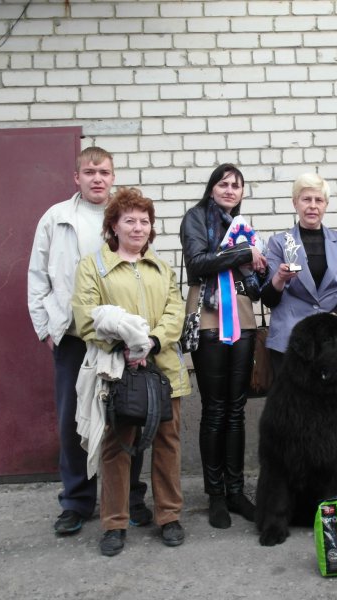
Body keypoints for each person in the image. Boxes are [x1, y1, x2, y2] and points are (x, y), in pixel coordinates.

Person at [27, 147, 150, 536]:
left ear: (114, 177)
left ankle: (130, 498)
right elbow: (37, 277)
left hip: (120, 339)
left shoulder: (125, 218)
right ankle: (77, 501)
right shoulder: (57, 219)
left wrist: (139, 336)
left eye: (105, 172)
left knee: (128, 416)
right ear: (76, 177)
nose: (98, 178)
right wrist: (46, 327)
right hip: (73, 338)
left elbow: (144, 274)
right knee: (72, 421)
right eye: (90, 171)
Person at [72, 186, 191, 556]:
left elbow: (176, 313)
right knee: (117, 446)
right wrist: (124, 347)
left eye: (144, 221)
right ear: (114, 225)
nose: (138, 228)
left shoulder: (162, 268)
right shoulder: (93, 267)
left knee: (167, 444)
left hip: (163, 368)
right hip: (117, 371)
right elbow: (85, 317)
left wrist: (151, 343)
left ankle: (169, 516)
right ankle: (114, 523)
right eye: (130, 220)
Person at [180, 163, 267, 529]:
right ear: (212, 187)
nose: (230, 190)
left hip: (243, 319)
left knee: (236, 408)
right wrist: (245, 254)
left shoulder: (242, 226)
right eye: (224, 184)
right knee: (215, 409)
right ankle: (215, 494)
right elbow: (198, 263)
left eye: (237, 185)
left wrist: (261, 267)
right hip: (209, 319)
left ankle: (235, 490)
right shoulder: (195, 218)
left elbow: (253, 283)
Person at [261, 172, 337, 377]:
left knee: (332, 405)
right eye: (306, 199)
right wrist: (279, 279)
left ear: (326, 204)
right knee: (293, 405)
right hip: (291, 341)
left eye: (319, 200)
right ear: (295, 203)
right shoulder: (279, 243)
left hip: (333, 339)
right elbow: (268, 299)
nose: (312, 205)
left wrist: (333, 318)